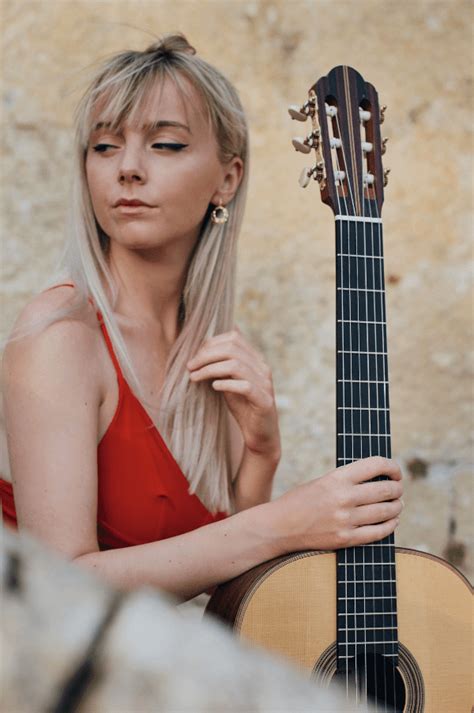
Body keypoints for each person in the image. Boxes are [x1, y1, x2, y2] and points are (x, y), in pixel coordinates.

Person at [0, 34, 403, 602]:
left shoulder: (215, 352)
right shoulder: (61, 336)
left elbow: (233, 597)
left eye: (164, 145)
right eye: (104, 146)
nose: (129, 170)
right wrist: (286, 521)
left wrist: (263, 452)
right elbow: (57, 588)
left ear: (227, 178)